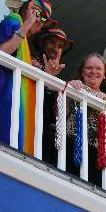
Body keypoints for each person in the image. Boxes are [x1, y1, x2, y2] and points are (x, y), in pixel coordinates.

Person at [0, 0, 56, 155]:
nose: (39, 21)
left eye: (44, 19)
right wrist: (26, 24)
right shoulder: (15, 20)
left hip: (18, 112)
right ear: (27, 8)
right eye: (38, 14)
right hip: (5, 102)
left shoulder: (25, 43)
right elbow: (1, 52)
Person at [66, 53, 106, 186]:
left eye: (98, 69)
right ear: (82, 72)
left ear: (105, 74)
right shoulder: (74, 88)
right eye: (89, 68)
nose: (94, 72)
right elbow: (58, 112)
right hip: (73, 147)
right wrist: (69, 87)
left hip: (99, 156)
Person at [31, 28, 75, 165]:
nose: (55, 49)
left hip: (42, 127)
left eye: (60, 46)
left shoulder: (55, 73)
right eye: (52, 43)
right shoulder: (30, 61)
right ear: (42, 43)